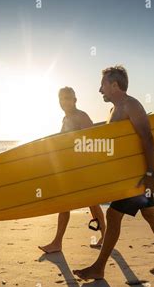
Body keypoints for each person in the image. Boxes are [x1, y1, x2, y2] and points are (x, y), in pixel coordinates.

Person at [73, 66, 154, 280]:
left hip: (138, 176)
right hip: (131, 174)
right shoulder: (114, 109)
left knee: (113, 215)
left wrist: (151, 174)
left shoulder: (131, 105)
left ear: (114, 85)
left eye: (103, 84)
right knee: (150, 215)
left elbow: (148, 138)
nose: (99, 89)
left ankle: (98, 267)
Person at [39, 87, 106, 253]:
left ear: (75, 100)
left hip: (82, 169)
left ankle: (57, 243)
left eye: (68, 98)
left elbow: (93, 139)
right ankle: (105, 237)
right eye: (62, 98)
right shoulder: (67, 118)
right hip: (73, 169)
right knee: (92, 203)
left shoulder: (80, 116)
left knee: (67, 203)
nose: (65, 101)